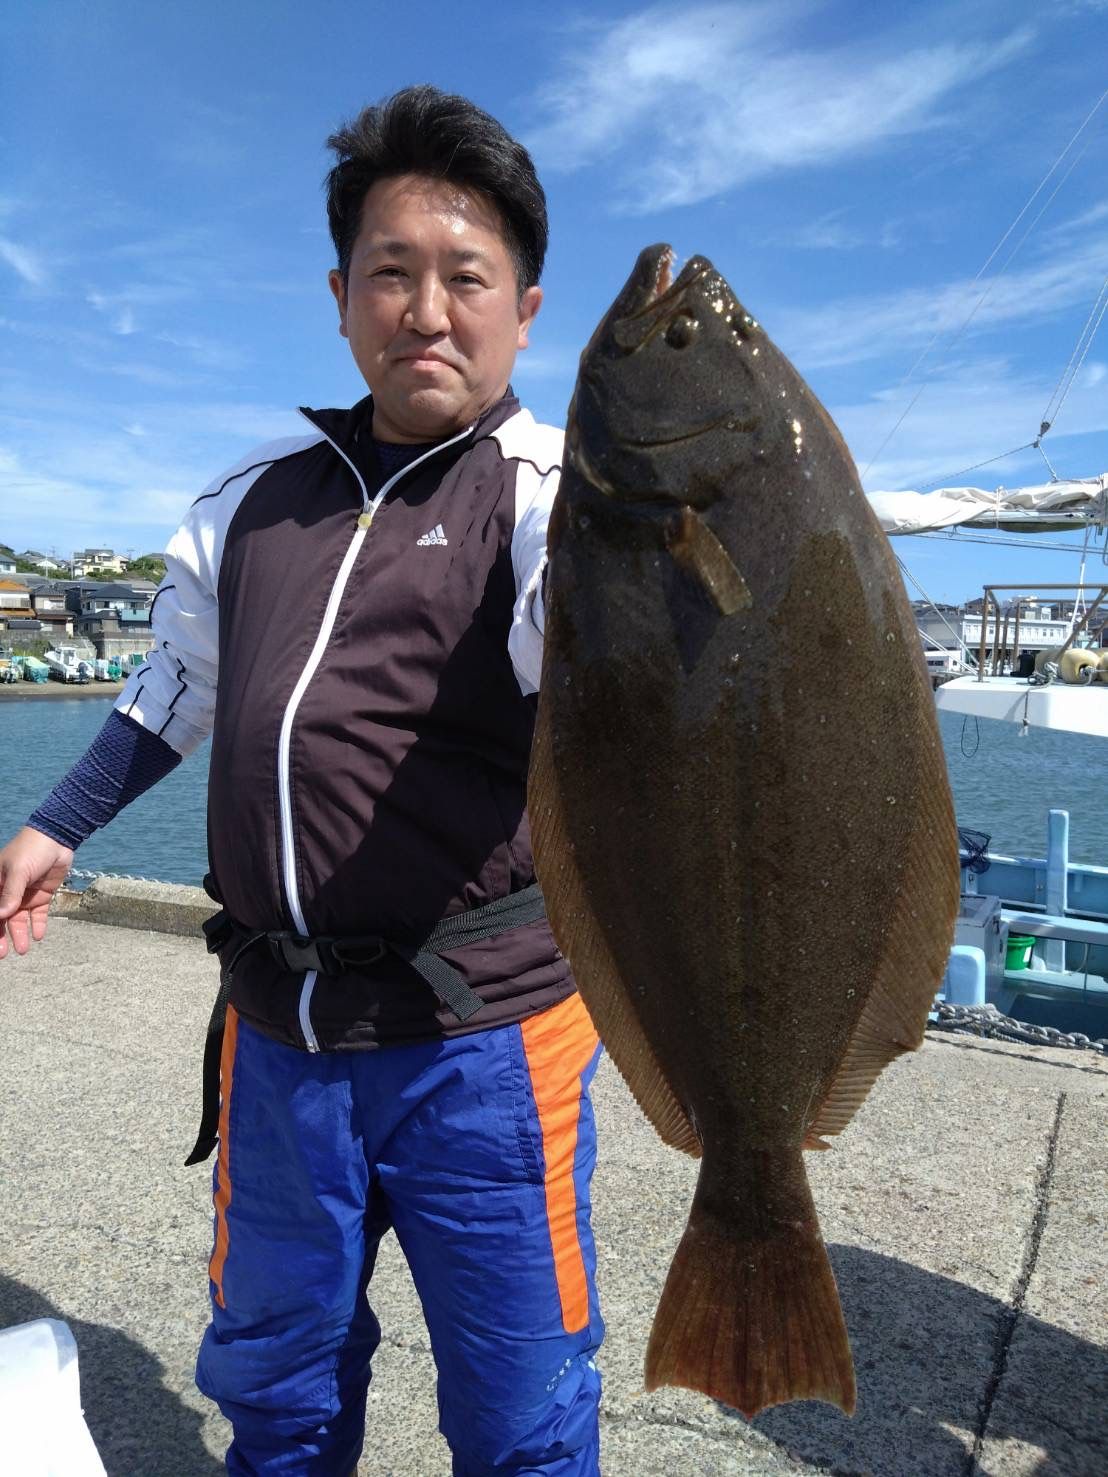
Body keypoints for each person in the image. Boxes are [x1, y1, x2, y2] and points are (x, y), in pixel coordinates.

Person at [0, 85, 605, 1476]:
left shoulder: (553, 495)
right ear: (341, 299)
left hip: (485, 1036)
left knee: (521, 1410)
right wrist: (56, 821)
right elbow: (179, 684)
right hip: (279, 1031)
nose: (427, 311)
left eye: (468, 277)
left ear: (526, 310)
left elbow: (598, 655)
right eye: (391, 272)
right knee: (278, 1391)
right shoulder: (252, 497)